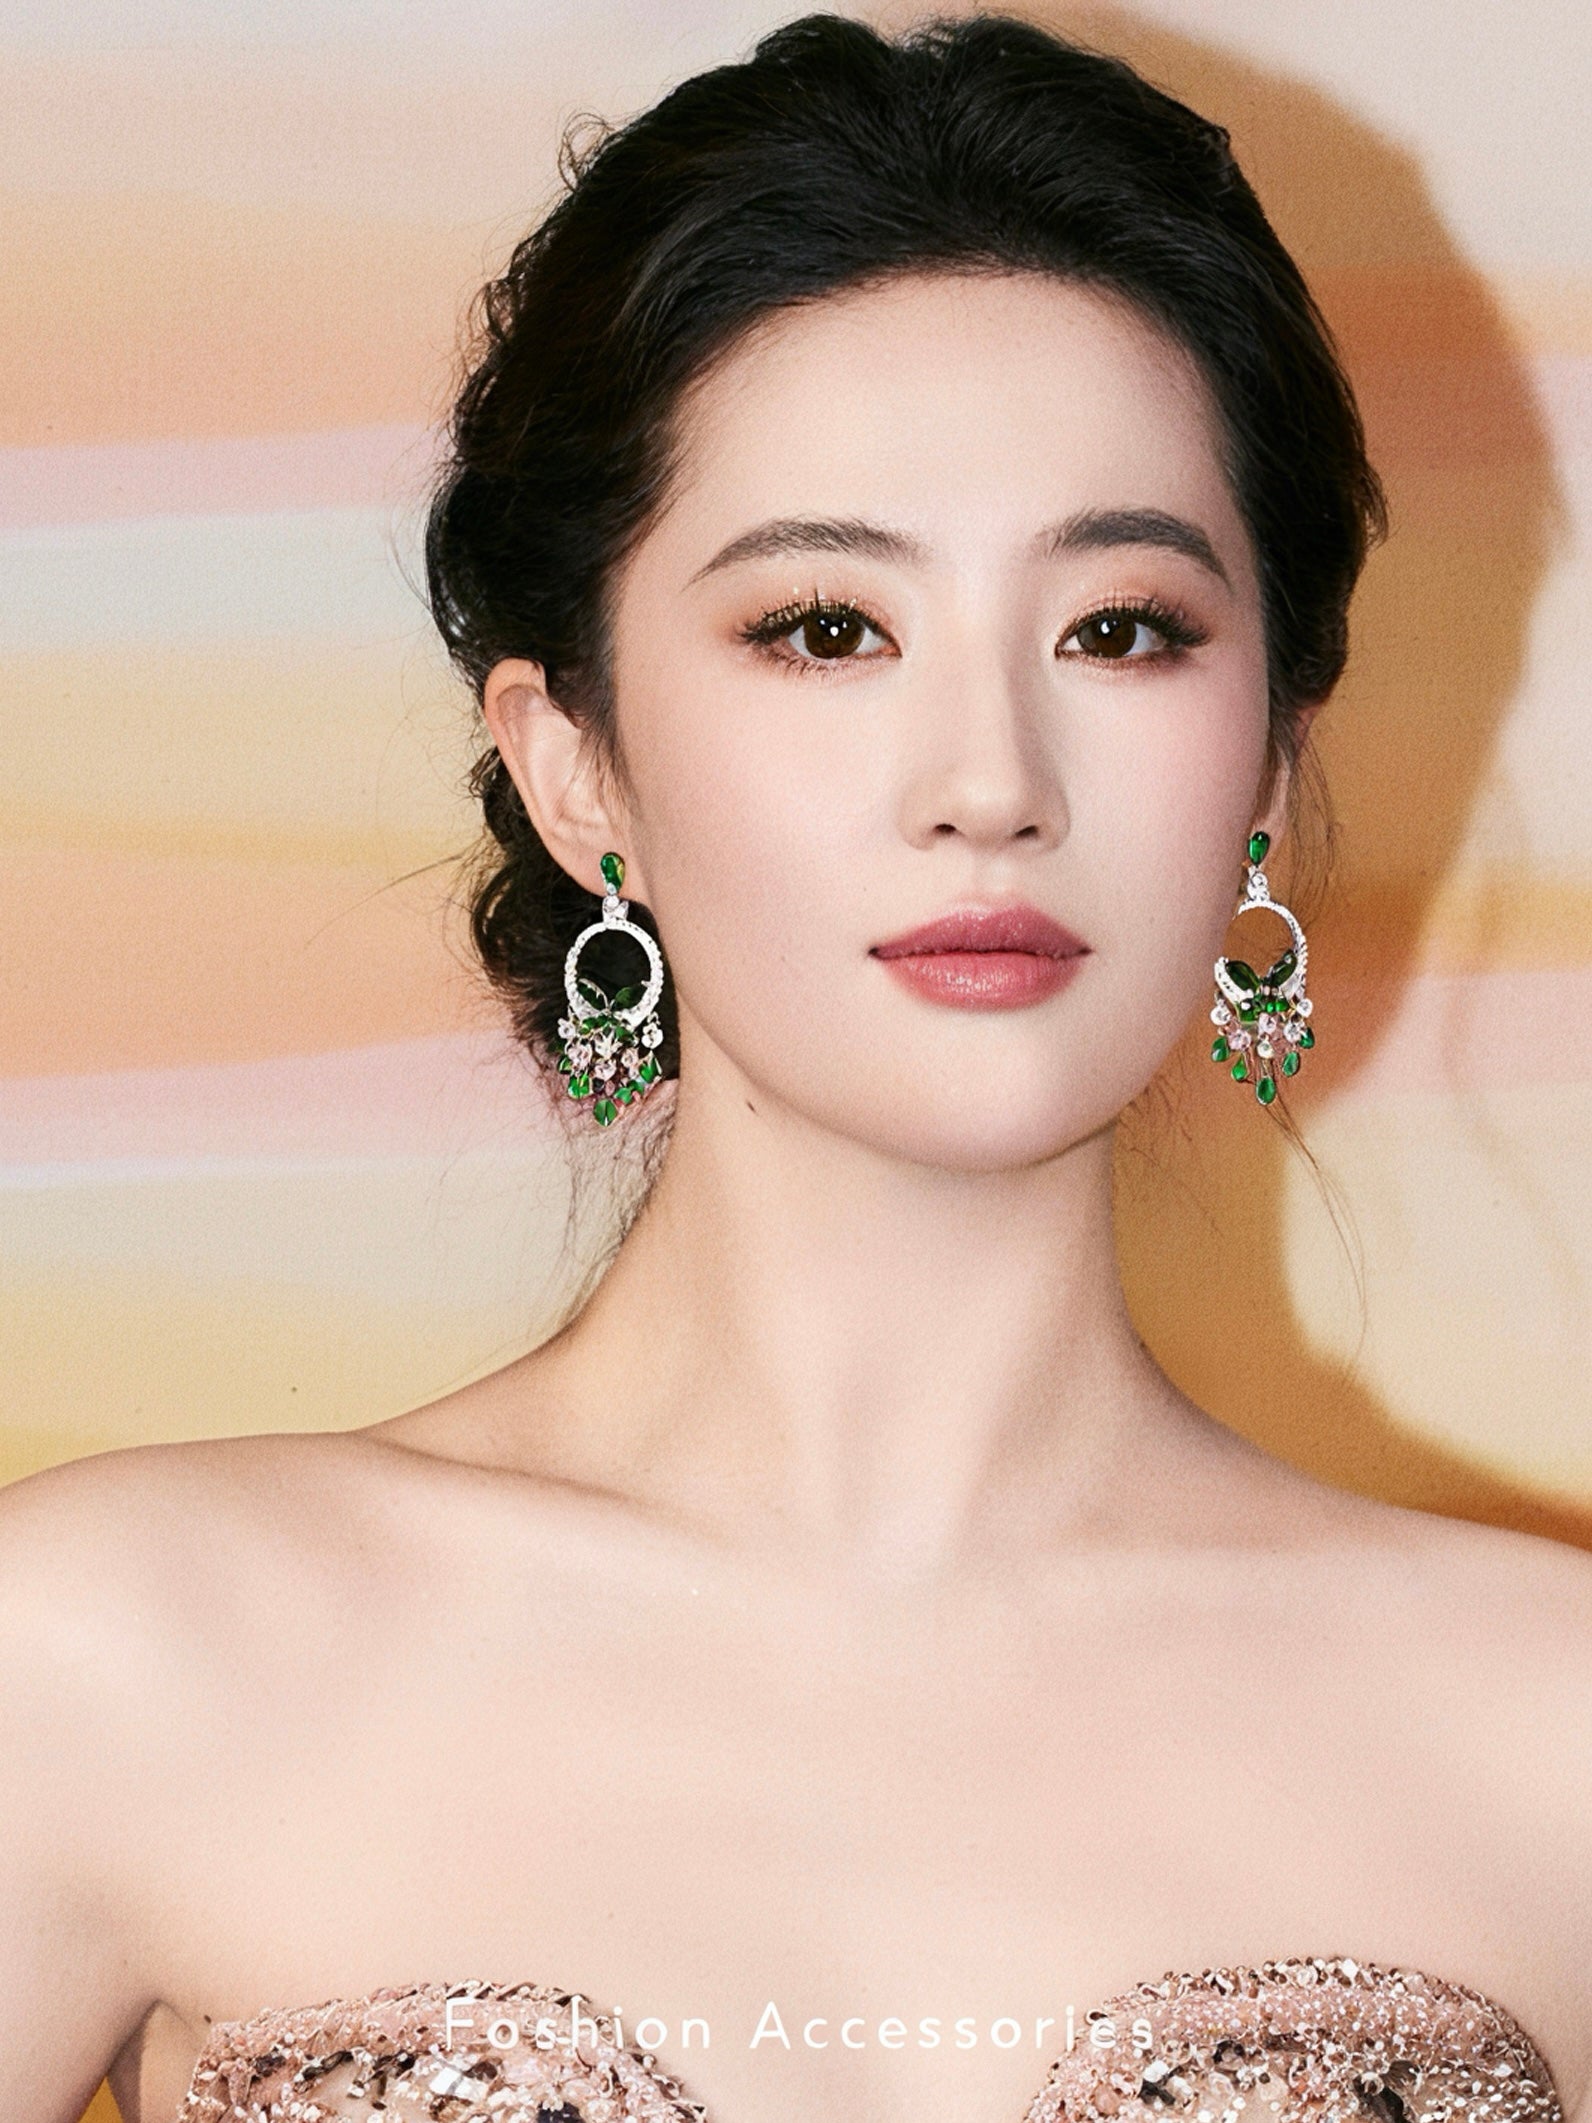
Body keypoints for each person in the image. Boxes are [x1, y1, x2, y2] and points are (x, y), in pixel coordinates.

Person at [2, 16, 1588, 2123]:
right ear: (576, 764)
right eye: (828, 628)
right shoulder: (117, 1658)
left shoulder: (1547, 1742)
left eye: (1121, 627)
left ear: (1271, 770)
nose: (989, 783)